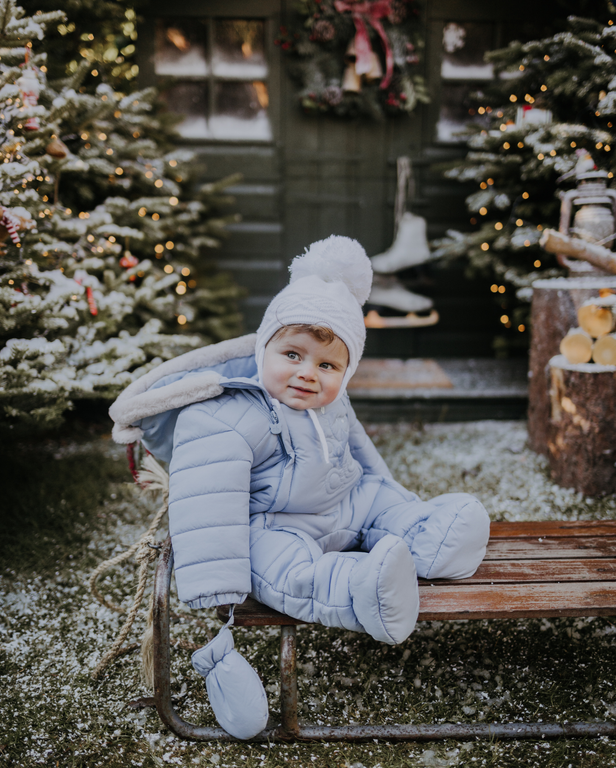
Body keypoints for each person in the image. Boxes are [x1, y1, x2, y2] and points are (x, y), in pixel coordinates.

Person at [109, 235, 490, 739]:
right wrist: (218, 593)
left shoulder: (333, 403)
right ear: (264, 347)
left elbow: (364, 458)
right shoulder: (225, 415)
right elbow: (208, 501)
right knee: (291, 572)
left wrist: (390, 495)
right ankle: (362, 590)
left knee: (380, 501)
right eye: (293, 354)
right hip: (274, 526)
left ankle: (433, 538)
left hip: (341, 502)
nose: (308, 374)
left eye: (328, 365)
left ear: (346, 371)